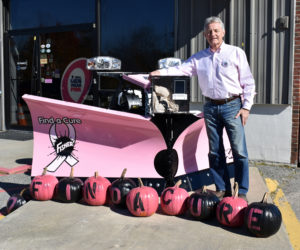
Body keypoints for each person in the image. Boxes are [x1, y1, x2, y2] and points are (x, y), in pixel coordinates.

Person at [150, 16, 255, 202]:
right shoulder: (200, 58)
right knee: (215, 151)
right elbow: (181, 69)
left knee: (239, 151)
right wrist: (160, 73)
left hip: (232, 106)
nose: (213, 34)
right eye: (209, 31)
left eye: (216, 30)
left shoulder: (235, 53)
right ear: (205, 35)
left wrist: (246, 108)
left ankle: (242, 191)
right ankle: (222, 189)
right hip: (210, 108)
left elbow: (248, 82)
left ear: (223, 32)